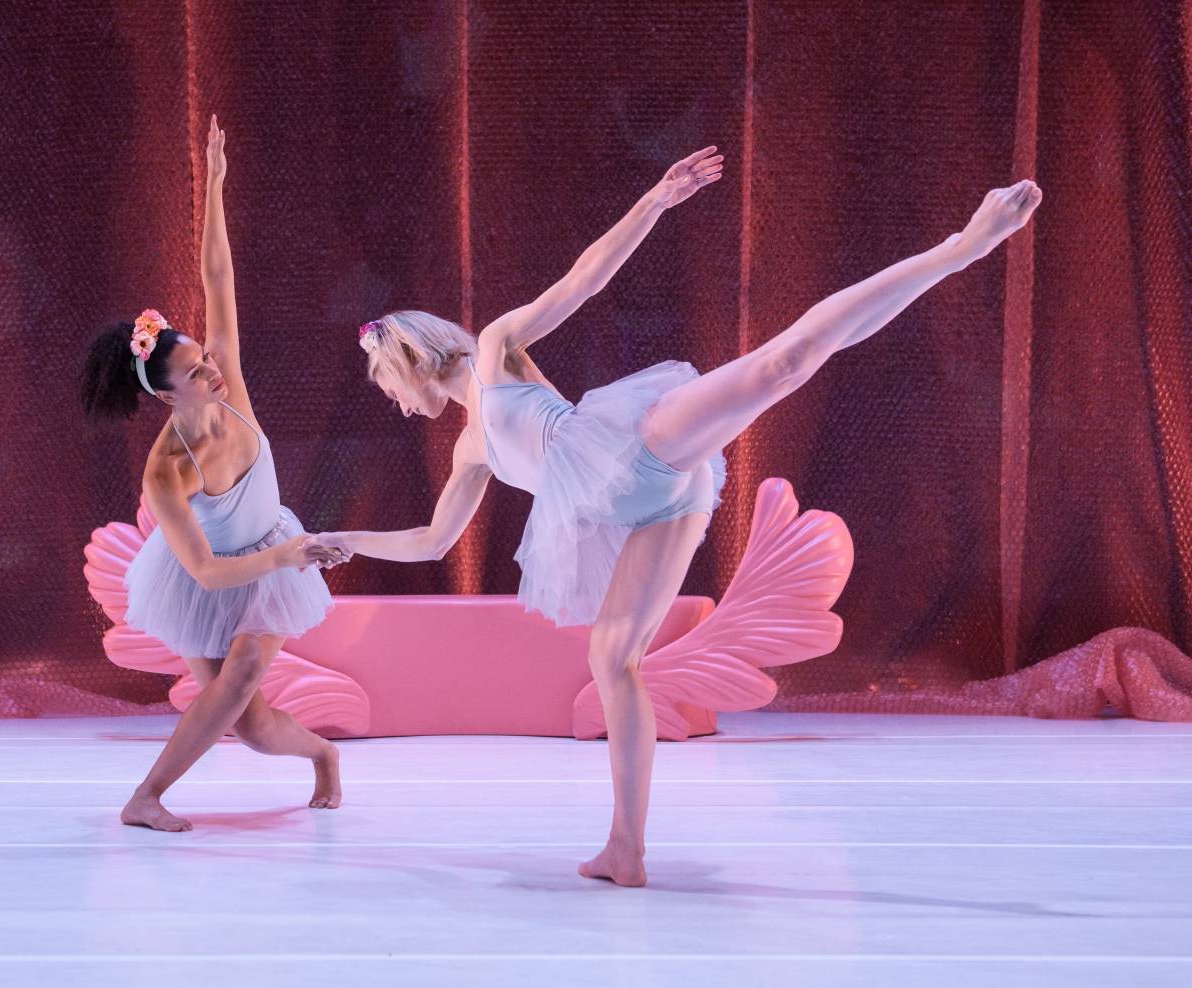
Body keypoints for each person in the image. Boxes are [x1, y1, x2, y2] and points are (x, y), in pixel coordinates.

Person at [310, 143, 1041, 884]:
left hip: (638, 447)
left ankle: (959, 248)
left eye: (386, 382)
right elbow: (435, 542)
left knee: (780, 365)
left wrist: (654, 202)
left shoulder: (497, 349)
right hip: (652, 512)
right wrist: (342, 538)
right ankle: (626, 848)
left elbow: (582, 282)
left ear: (406, 357)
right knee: (611, 661)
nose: (393, 401)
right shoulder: (471, 449)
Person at [80, 115, 349, 831]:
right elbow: (203, 573)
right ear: (169, 396)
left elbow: (217, 275)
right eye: (198, 370)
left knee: (237, 684)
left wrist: (216, 186)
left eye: (206, 353)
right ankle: (322, 753)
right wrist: (290, 554)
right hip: (211, 575)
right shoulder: (167, 471)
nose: (214, 367)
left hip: (268, 560)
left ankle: (145, 799)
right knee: (252, 728)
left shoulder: (229, 382)